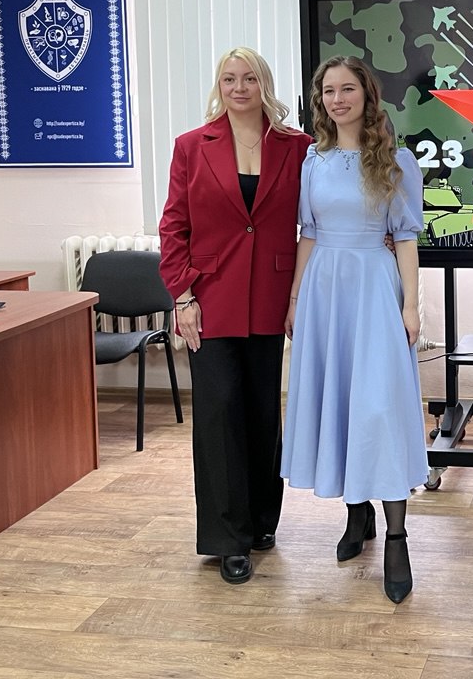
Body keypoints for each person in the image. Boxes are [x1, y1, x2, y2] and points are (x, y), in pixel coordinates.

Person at [158, 47, 311, 585]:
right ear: (218, 85)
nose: (239, 87)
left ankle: (262, 520)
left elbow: (323, 214)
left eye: (249, 78)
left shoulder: (298, 147)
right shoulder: (191, 146)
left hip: (272, 295)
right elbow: (173, 227)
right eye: (229, 79)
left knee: (263, 413)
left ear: (264, 83)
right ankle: (228, 539)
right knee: (220, 415)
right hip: (209, 299)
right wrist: (182, 297)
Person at [281, 55, 427, 604]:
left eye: (347, 89)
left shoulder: (395, 159)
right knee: (342, 402)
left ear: (366, 94)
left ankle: (397, 537)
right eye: (328, 91)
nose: (337, 99)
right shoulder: (313, 161)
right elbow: (309, 232)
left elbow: (406, 237)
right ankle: (356, 513)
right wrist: (296, 299)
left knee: (378, 408)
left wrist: (411, 306)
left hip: (373, 290)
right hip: (325, 291)